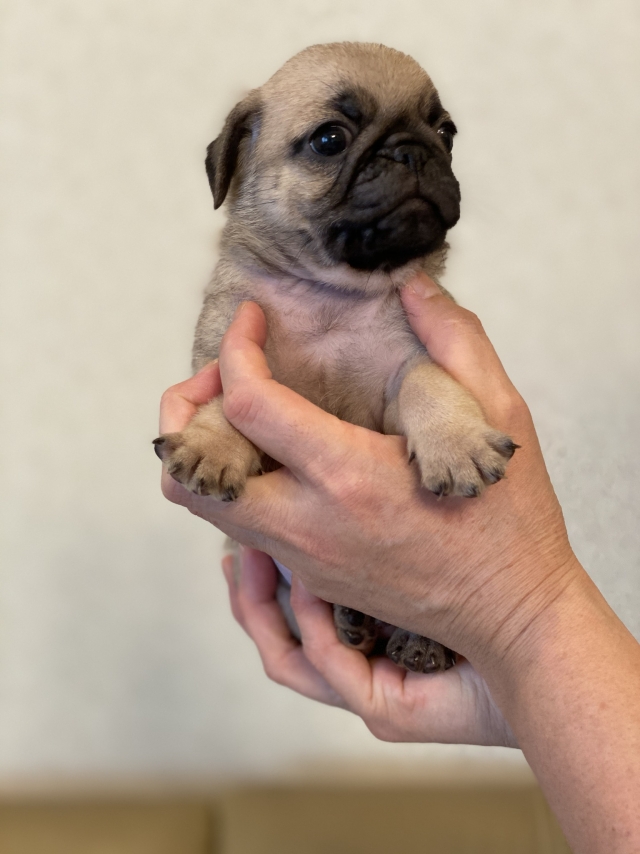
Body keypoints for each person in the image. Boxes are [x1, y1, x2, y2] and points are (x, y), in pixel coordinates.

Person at [158, 274, 640, 854]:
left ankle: (400, 628)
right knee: (263, 550)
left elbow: (416, 385)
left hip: (417, 607)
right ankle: (372, 623)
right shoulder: (253, 292)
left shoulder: (397, 300)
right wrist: (518, 683)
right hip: (305, 589)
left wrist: (516, 618)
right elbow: (233, 404)